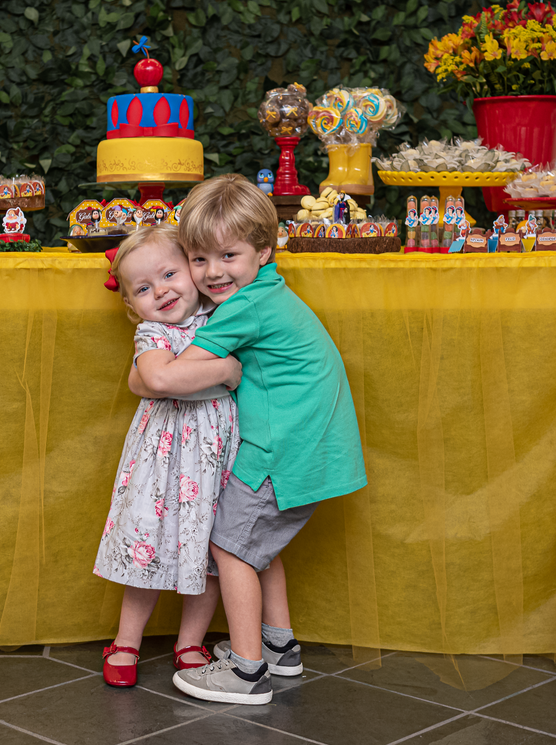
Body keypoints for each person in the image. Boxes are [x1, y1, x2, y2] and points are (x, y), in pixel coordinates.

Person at [130, 174, 366, 705]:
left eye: (228, 256)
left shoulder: (244, 308)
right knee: (258, 545)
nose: (213, 273)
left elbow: (164, 377)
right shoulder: (268, 290)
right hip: (307, 446)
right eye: (199, 258)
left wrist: (199, 371)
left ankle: (246, 671)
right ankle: (279, 647)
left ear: (265, 249)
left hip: (279, 452)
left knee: (229, 546)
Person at [95, 222, 243, 687]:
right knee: (147, 545)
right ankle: (126, 642)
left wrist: (201, 375)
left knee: (211, 553)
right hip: (163, 460)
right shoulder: (152, 335)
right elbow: (158, 380)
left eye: (169, 274)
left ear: (193, 270)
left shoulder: (224, 317)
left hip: (215, 456)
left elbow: (169, 379)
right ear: (131, 306)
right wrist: (227, 370)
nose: (160, 292)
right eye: (143, 288)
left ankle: (189, 642)